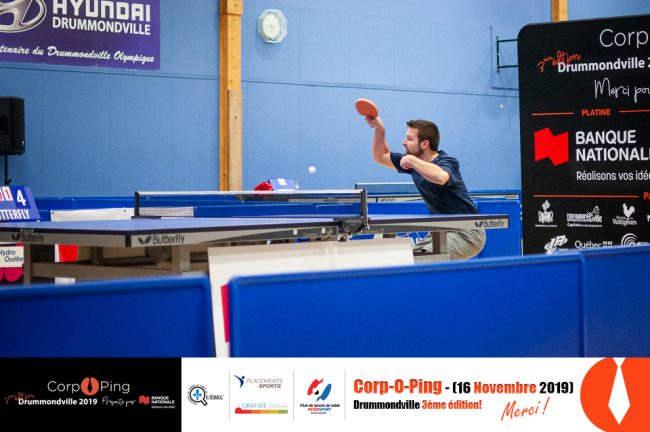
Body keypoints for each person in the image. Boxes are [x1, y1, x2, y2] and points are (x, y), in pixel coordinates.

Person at [365, 116, 485, 260]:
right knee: (403, 261)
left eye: (409, 139)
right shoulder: (414, 164)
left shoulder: (447, 161)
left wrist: (412, 160)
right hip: (440, 231)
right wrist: (380, 129)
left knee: (420, 261)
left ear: (424, 144)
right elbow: (380, 156)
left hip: (467, 232)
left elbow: (441, 177)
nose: (404, 142)